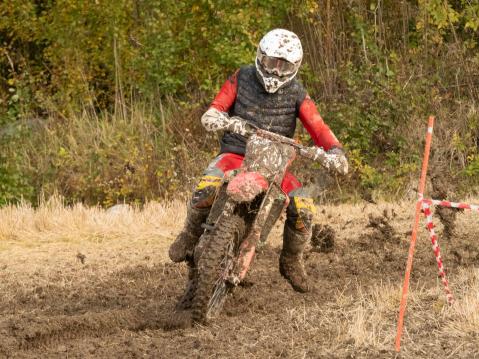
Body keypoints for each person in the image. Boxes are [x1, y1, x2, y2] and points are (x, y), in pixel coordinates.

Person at [169, 29, 347, 294]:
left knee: (304, 204)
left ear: (294, 67)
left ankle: (291, 259)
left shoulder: (297, 93)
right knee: (208, 184)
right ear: (260, 57)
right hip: (235, 155)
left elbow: (319, 128)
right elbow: (215, 108)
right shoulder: (242, 77)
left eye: (283, 65)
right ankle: (190, 232)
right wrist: (220, 118)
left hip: (276, 167)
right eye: (270, 62)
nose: (275, 71)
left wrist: (335, 151)